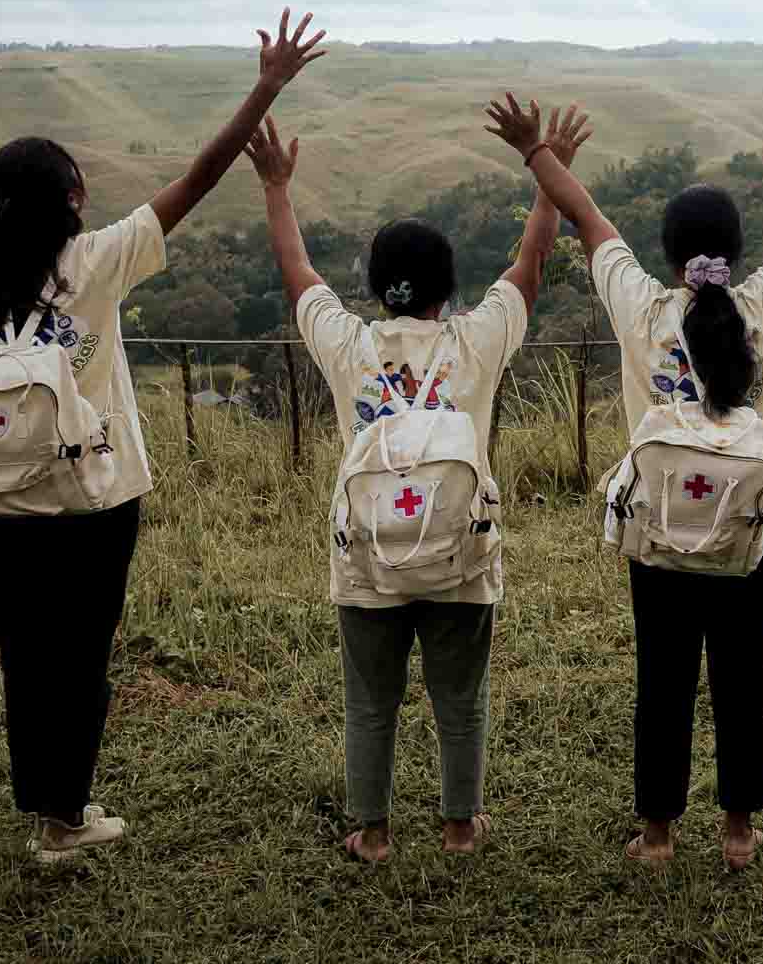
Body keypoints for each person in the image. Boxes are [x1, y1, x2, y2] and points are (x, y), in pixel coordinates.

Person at [0, 10, 327, 862]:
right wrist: (266, 87)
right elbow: (199, 178)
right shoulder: (95, 262)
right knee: (82, 654)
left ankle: (44, 803)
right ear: (74, 201)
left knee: (28, 653)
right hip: (97, 496)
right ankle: (65, 818)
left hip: (5, 492)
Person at [484, 68, 763, 870]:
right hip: (750, 530)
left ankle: (660, 834)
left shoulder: (641, 308)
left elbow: (590, 219)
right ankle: (738, 833)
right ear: (735, 253)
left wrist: (536, 149)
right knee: (744, 673)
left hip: (661, 530)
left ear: (669, 257)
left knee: (662, 676)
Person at [249, 107, 591, 862]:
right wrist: (545, 175)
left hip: (367, 559)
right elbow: (529, 268)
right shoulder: (476, 339)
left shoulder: (347, 345)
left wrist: (277, 187)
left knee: (370, 701)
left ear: (377, 289)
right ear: (448, 288)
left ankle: (373, 833)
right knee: (459, 699)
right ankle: (460, 825)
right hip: (460, 557)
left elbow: (297, 272)